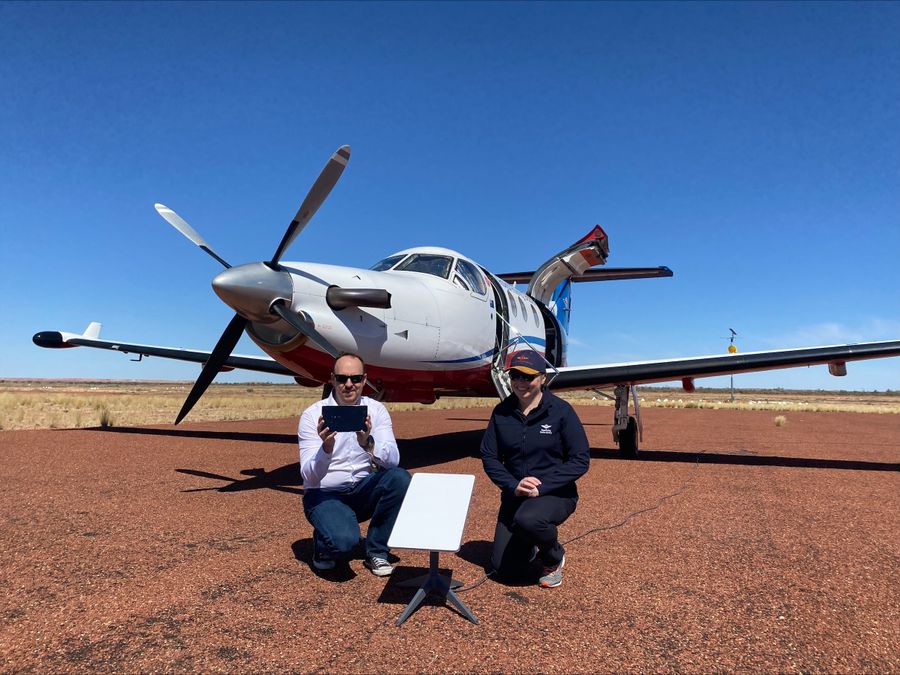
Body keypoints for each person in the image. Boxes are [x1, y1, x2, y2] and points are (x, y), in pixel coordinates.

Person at [480, 349, 590, 588]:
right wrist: (512, 485)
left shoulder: (561, 411)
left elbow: (580, 459)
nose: (520, 383)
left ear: (542, 378)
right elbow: (489, 457)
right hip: (515, 495)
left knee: (529, 518)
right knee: (504, 572)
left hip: (555, 494)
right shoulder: (501, 413)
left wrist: (544, 486)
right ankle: (526, 542)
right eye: (515, 376)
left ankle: (554, 556)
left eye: (527, 377)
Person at [298, 353, 411, 576]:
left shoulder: (376, 411)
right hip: (324, 494)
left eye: (356, 378)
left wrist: (368, 443)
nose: (349, 384)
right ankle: (324, 540)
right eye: (342, 379)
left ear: (364, 379)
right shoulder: (312, 415)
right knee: (344, 544)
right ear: (332, 379)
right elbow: (308, 477)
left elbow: (393, 461)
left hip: (361, 489)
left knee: (400, 478)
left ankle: (377, 551)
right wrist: (326, 449)